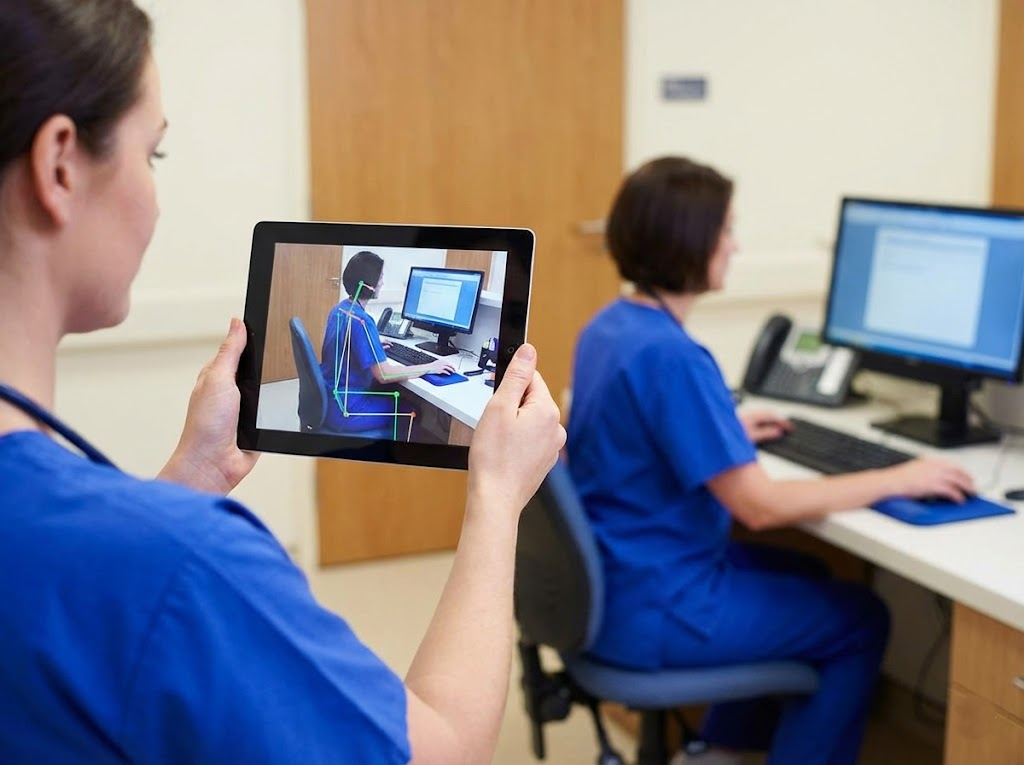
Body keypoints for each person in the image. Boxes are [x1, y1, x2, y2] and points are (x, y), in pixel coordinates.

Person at [0, 2, 565, 764]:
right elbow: (440, 751)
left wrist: (188, 479)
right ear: (60, 163)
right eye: (153, 156)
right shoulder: (183, 567)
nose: (155, 195)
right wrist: (498, 497)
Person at [566, 156, 975, 765]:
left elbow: (635, 434)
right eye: (726, 230)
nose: (735, 245)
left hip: (617, 581)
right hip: (659, 604)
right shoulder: (676, 358)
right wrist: (899, 476)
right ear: (690, 242)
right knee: (862, 621)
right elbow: (757, 507)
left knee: (807, 572)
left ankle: (723, 749)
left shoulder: (612, 326)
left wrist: (719, 427)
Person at [320, 250, 454, 438]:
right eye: (380, 278)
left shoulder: (339, 310)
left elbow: (343, 348)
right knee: (413, 411)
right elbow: (384, 374)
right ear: (368, 284)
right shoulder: (363, 321)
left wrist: (371, 347)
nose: (382, 282)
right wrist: (430, 367)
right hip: (347, 409)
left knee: (392, 393)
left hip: (328, 401)